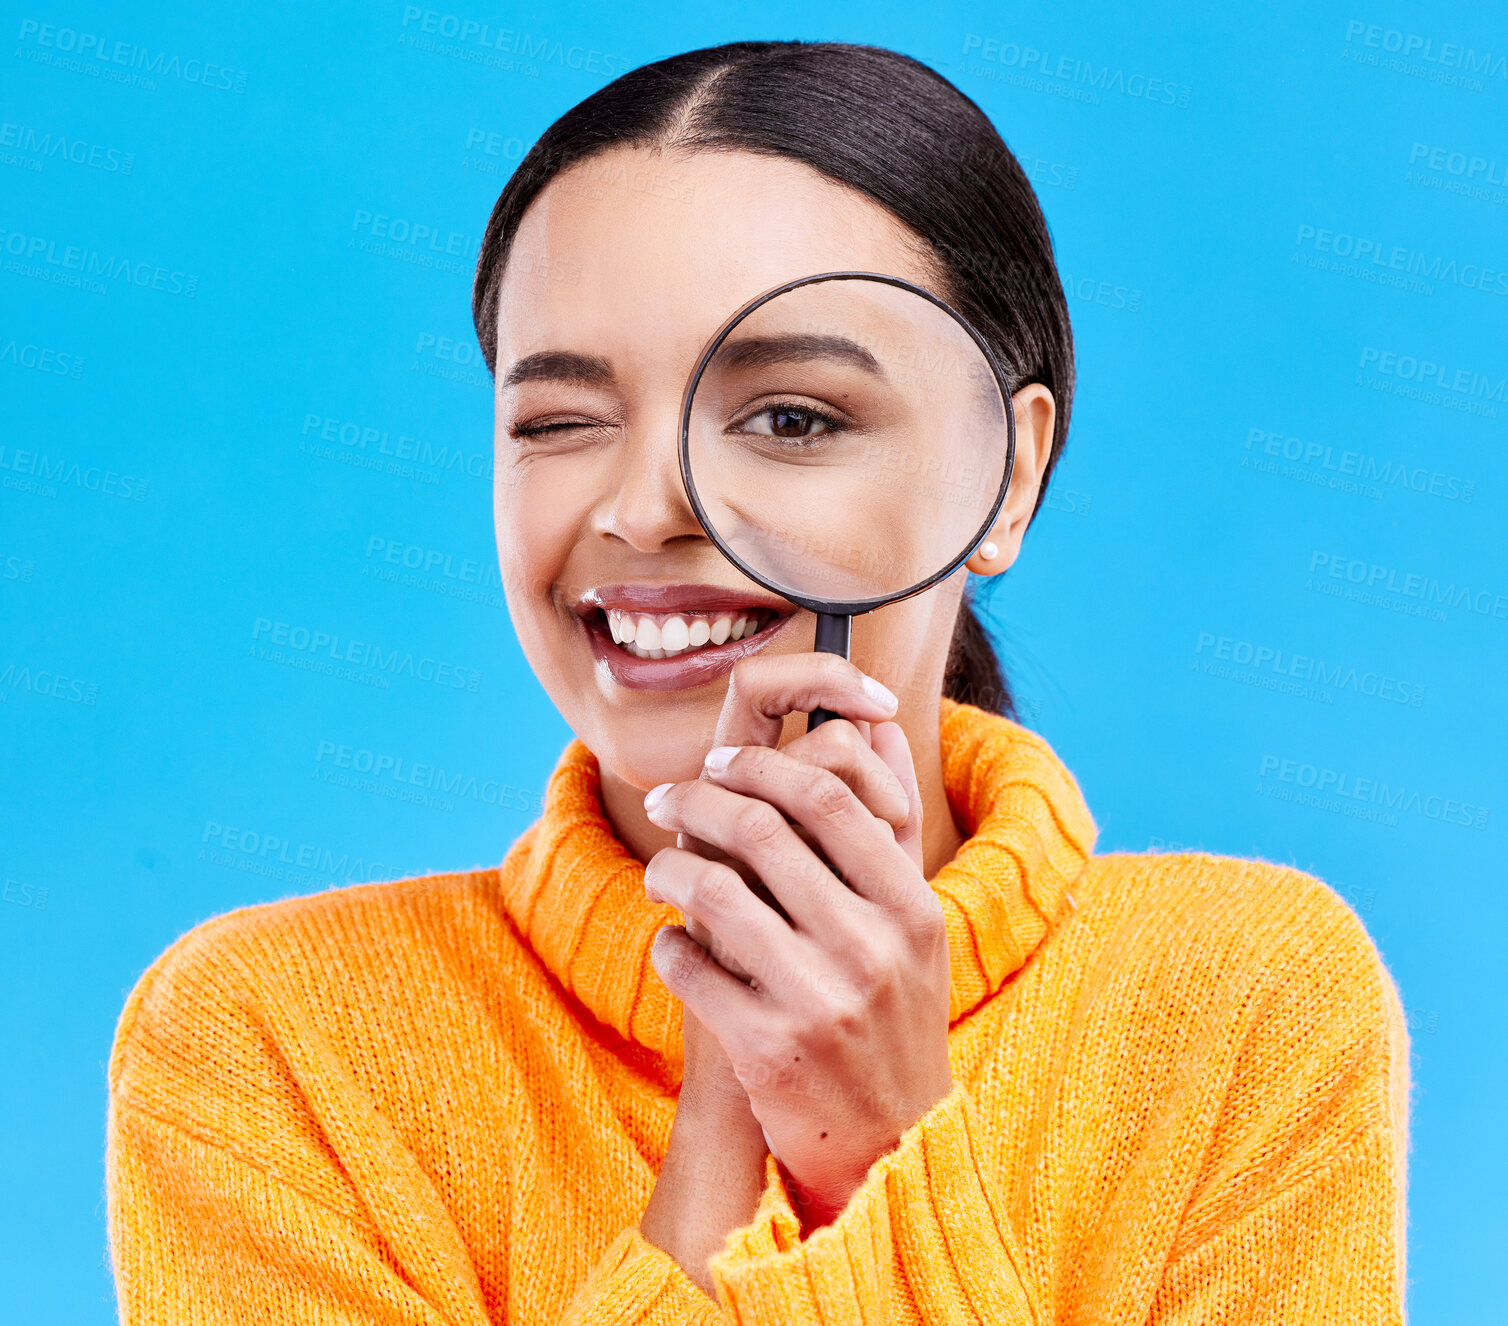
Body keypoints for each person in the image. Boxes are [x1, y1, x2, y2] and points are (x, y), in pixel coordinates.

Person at [106, 41, 1410, 1324]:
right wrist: (722, 1138)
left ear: (1005, 478)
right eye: (561, 420)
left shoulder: (1250, 1002)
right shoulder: (265, 1042)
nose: (645, 506)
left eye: (791, 416)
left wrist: (884, 1151)